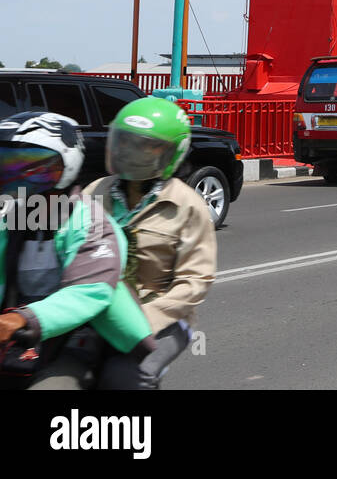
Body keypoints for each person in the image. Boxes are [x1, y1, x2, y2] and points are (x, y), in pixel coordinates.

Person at [33, 97, 216, 389]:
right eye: (126, 142)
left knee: (128, 378)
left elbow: (195, 281)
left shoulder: (188, 206)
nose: (132, 152)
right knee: (54, 378)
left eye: (147, 146)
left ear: (172, 153)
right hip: (95, 309)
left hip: (161, 316)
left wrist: (145, 317)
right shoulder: (96, 191)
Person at [0, 112, 155, 390]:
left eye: (33, 167)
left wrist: (23, 318)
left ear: (66, 166)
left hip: (80, 332)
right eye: (9, 166)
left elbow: (89, 291)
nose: (19, 176)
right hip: (16, 332)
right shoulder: (11, 216)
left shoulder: (90, 221)